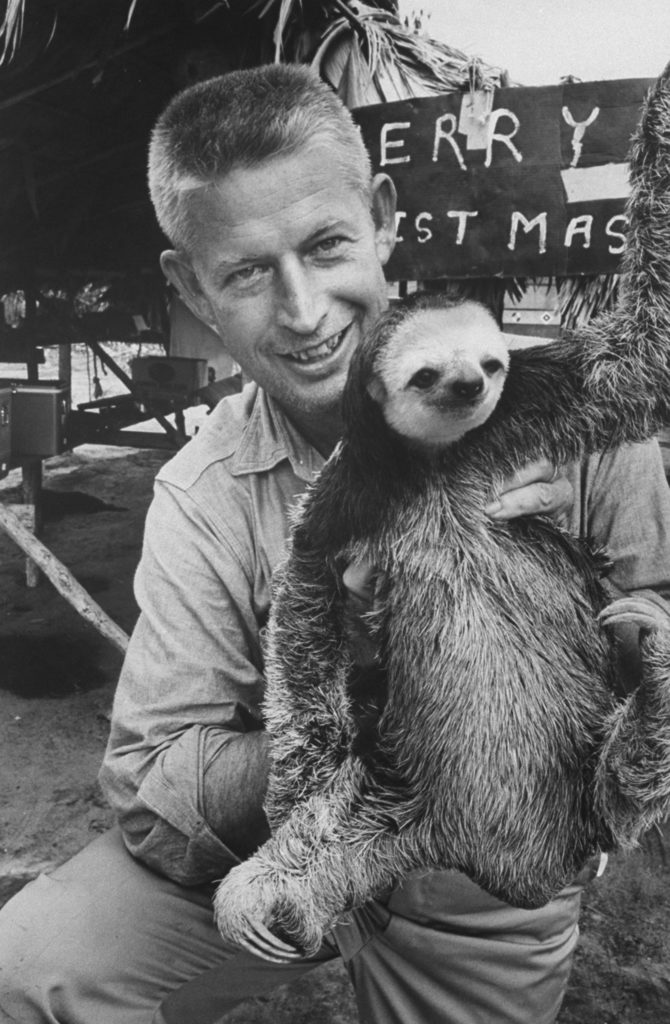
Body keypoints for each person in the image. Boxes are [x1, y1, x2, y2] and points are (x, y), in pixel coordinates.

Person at [1, 62, 670, 1024]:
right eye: (244, 272)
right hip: (305, 823)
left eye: (326, 246)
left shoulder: (563, 414)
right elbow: (148, 794)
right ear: (189, 284)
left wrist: (579, 623)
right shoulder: (204, 490)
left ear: (384, 220)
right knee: (31, 963)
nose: (306, 312)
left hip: (489, 864)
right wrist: (370, 697)